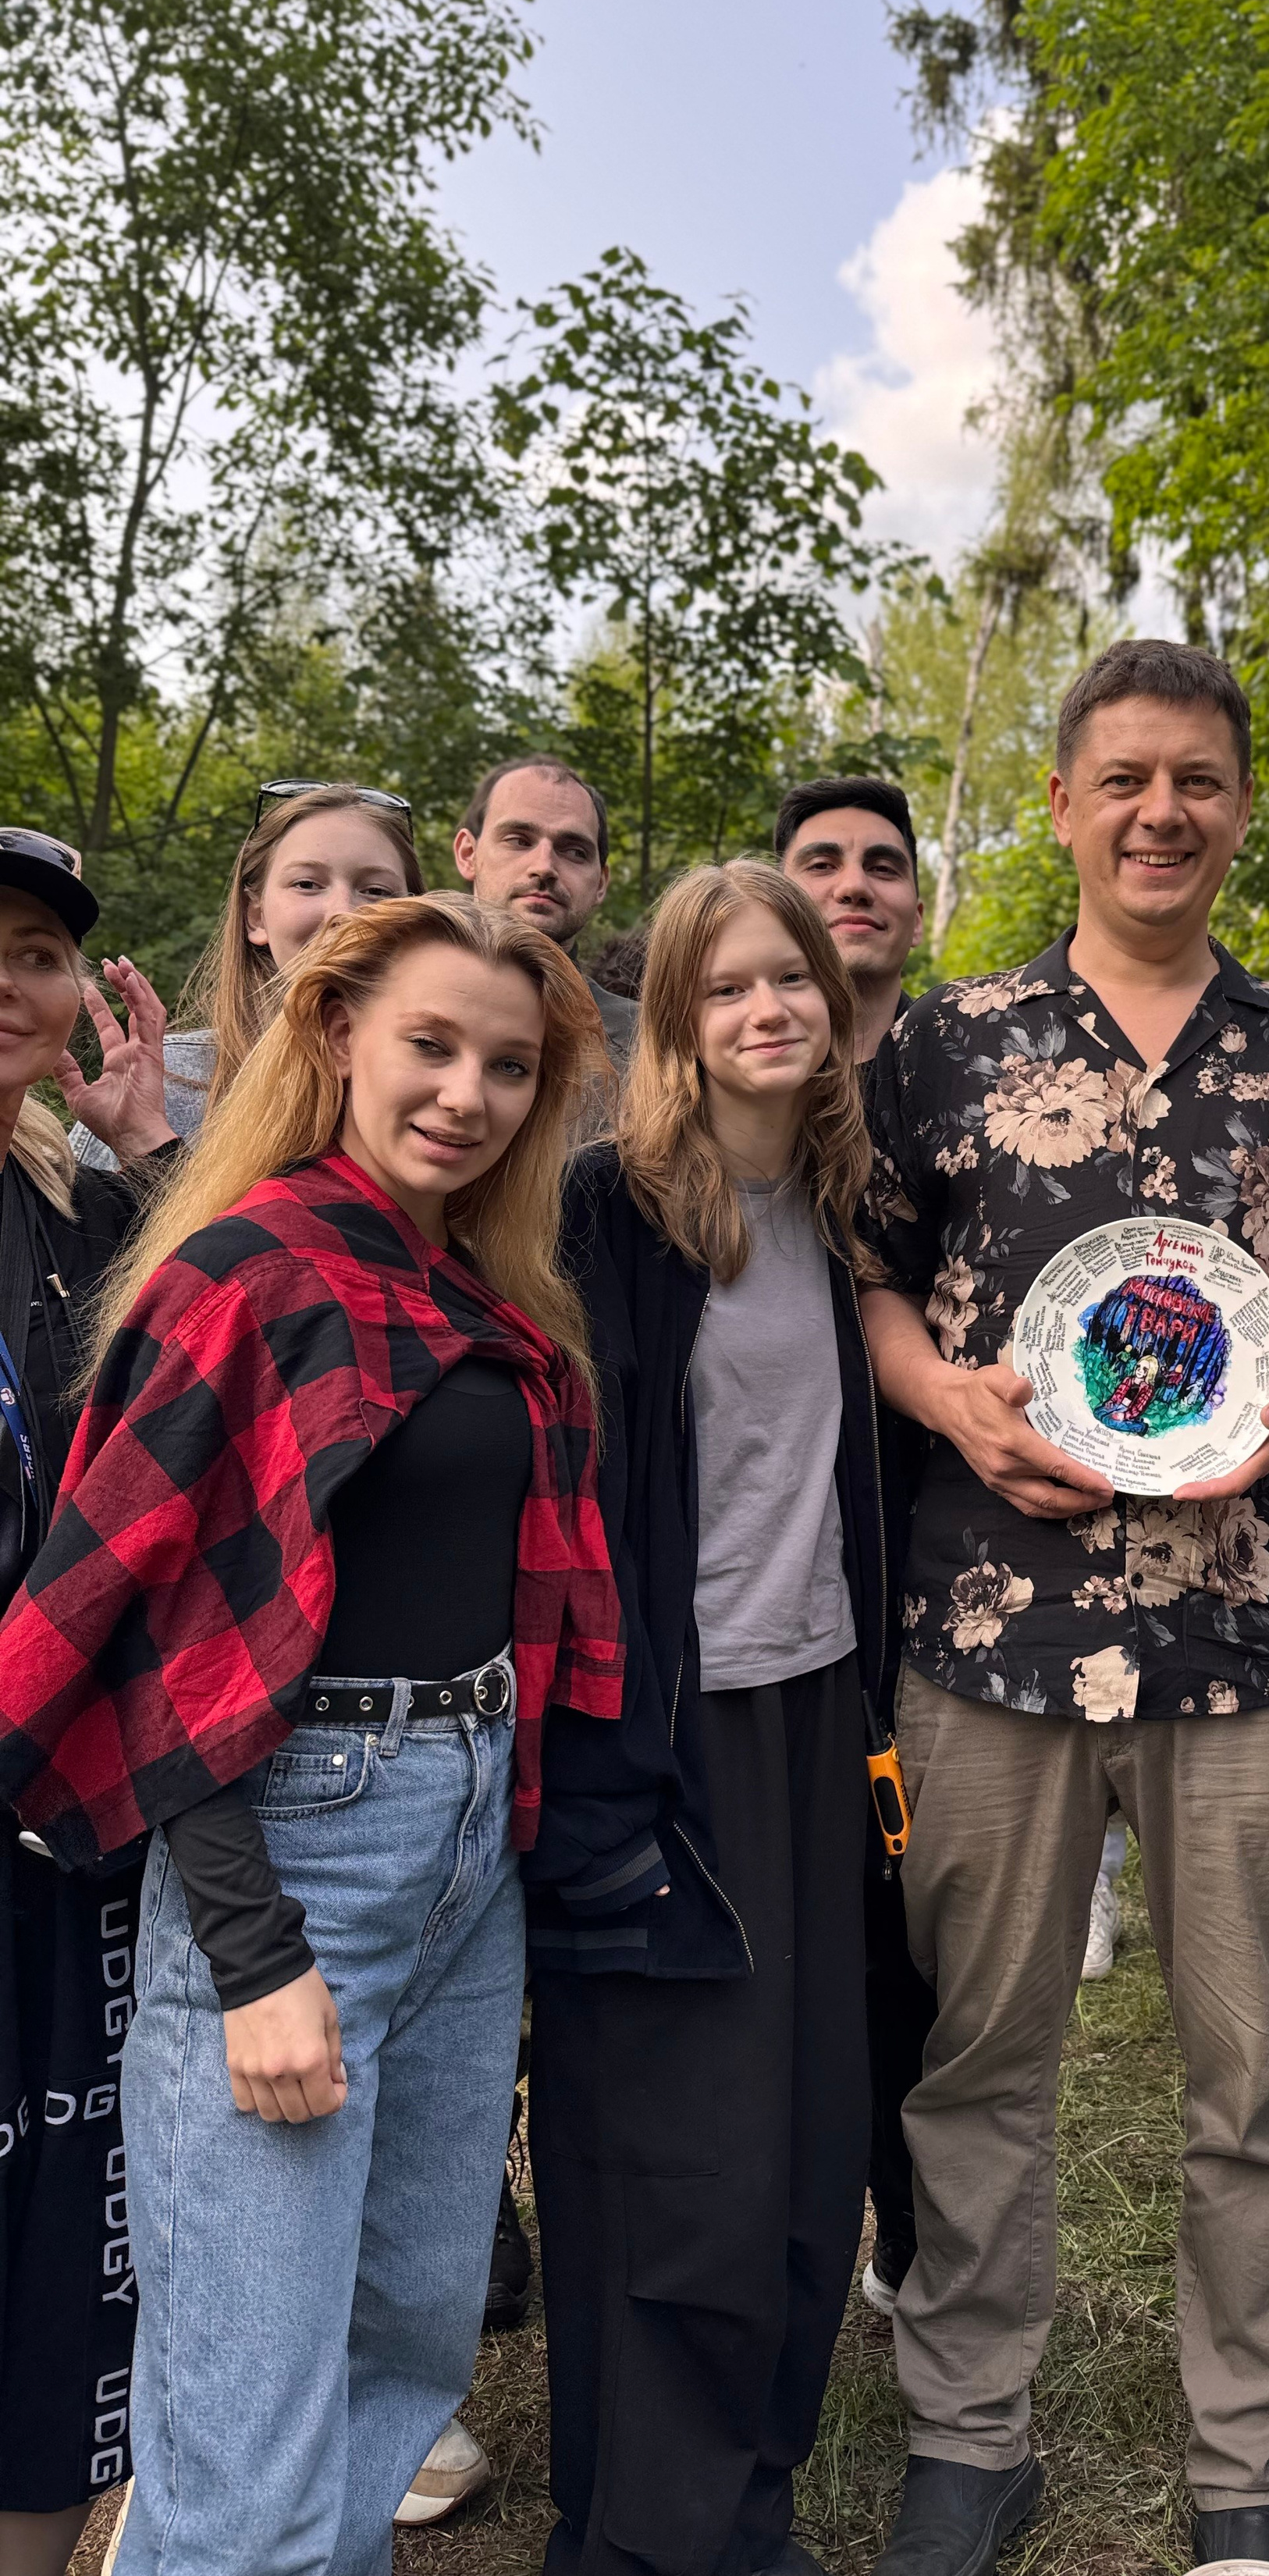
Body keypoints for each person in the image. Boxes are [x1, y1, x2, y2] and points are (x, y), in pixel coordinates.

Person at [0, 893, 622, 2576]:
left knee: (405, 2354)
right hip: (293, 1845)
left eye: (506, 1064)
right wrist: (259, 1948)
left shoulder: (476, 1281)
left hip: (463, 1837)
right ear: (337, 1030)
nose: (466, 1092)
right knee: (248, 2426)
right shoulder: (241, 1266)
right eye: (430, 1043)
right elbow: (145, 1636)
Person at [858, 639, 1269, 2576]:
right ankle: (962, 2428)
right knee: (976, 2051)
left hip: (1242, 1630)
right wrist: (942, 1398)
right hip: (991, 1621)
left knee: (1247, 2073)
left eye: (1198, 780)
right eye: (1125, 780)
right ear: (1065, 805)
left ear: (1239, 806)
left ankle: (1247, 2462)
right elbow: (874, 1277)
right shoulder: (941, 1041)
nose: (1161, 811)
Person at [525, 859, 891, 2576]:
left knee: (813, 2134)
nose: (768, 1009)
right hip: (661, 1731)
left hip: (820, 1715)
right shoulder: (607, 1212)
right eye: (729, 984)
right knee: (678, 2148)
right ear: (672, 1015)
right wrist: (594, 1762)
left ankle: (749, 2496)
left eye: (793, 981)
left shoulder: (841, 1204)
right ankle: (639, 2530)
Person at [0, 830, 176, 2576]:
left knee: (68, 2230)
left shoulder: (97, 1221)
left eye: (37, 948)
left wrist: (150, 1142)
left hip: (67, 1818)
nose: (7, 974)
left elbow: (271, 1319)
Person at [776, 774, 934, 2312]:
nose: (852, 883)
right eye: (818, 860)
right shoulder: (736, 1075)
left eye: (881, 862)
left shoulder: (961, 1073)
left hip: (935, 1550)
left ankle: (907, 2223)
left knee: (907, 1925)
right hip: (769, 1559)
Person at [69, 778, 421, 1169]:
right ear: (256, 916)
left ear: (416, 922)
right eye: (307, 884)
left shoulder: (452, 1086)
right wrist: (148, 1146)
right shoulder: (170, 1083)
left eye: (376, 891)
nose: (343, 911)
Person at [456, 756, 636, 1068]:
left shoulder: (649, 1050)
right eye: (519, 840)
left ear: (601, 884)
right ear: (468, 854)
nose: (544, 867)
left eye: (574, 852)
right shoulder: (389, 1004)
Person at [776, 775, 925, 1062]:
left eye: (882, 869)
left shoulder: (986, 1070)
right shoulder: (707, 1084)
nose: (855, 886)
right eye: (821, 866)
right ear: (774, 908)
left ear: (917, 923)